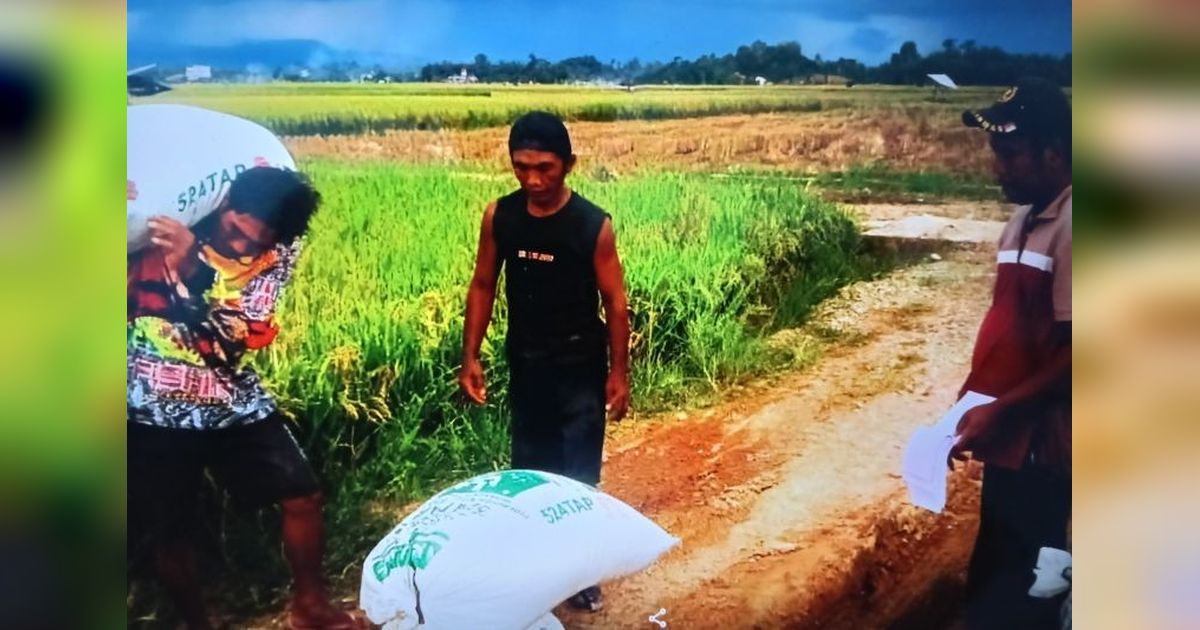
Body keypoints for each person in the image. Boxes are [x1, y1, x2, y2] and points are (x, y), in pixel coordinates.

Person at [127, 167, 363, 630]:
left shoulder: (279, 251)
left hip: (232, 396)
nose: (240, 246)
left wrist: (195, 269)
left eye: (253, 242)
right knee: (170, 529)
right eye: (234, 231)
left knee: (302, 493)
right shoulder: (171, 215)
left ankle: (310, 606)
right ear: (224, 203)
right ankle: (199, 623)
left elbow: (241, 335)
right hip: (150, 401)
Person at [458, 111, 631, 612]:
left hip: (580, 363)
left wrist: (619, 374)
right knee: (531, 469)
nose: (532, 179)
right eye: (521, 167)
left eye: (545, 168)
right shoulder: (501, 216)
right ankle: (536, 568)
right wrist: (470, 356)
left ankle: (580, 572)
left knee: (577, 473)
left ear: (568, 165)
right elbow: (483, 284)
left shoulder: (592, 226)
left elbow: (615, 303)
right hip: (527, 360)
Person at [948, 78, 1073, 629]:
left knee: (1030, 586)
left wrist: (1000, 408)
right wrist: (971, 397)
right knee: (997, 568)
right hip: (1012, 442)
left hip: (1050, 446)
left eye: (1010, 153)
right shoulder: (1020, 223)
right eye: (994, 152)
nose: (997, 167)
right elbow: (1010, 326)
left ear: (1054, 153)